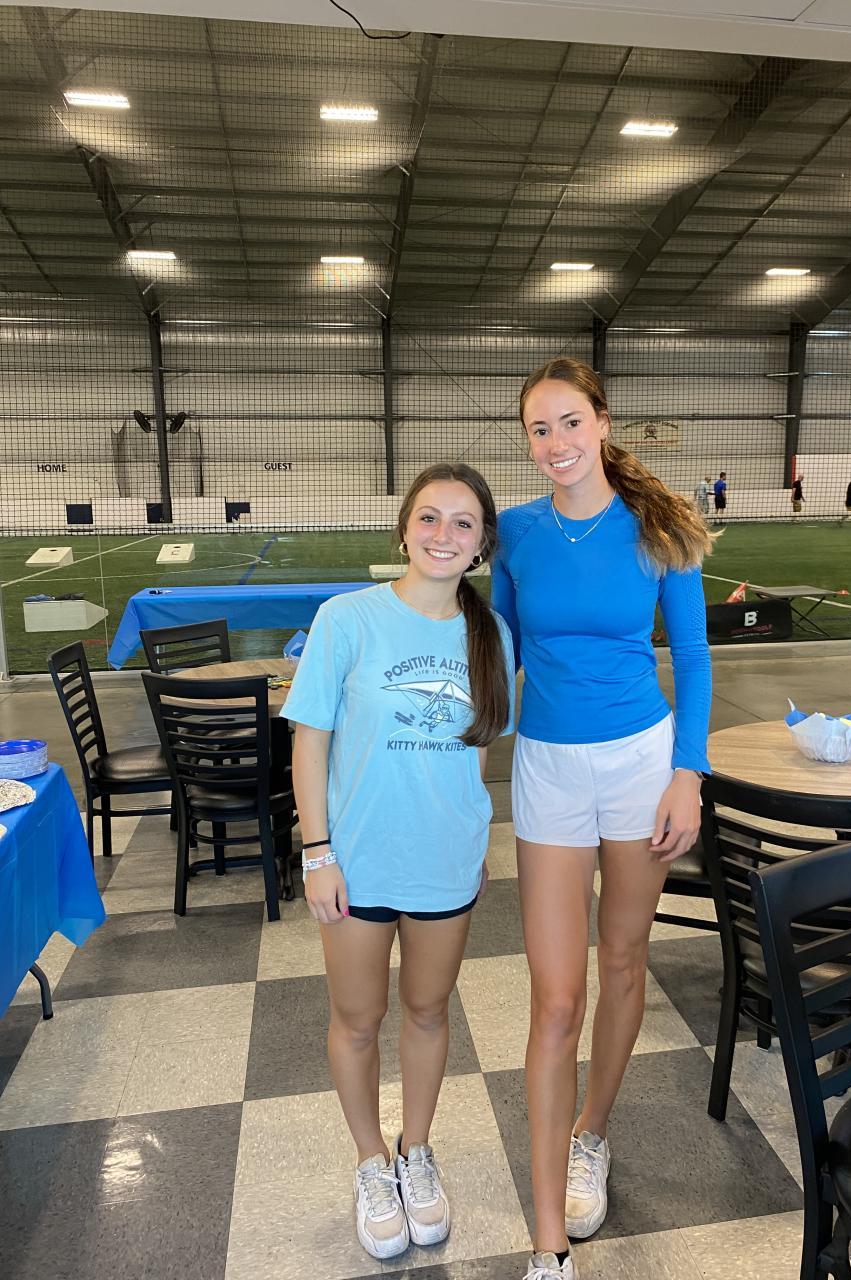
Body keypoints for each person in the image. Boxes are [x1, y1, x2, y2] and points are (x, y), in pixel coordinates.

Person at [493, 357, 713, 1280]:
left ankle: (592, 1131)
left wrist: (688, 774)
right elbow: (498, 652)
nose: (557, 444)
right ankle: (548, 1243)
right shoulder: (513, 533)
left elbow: (693, 658)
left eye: (570, 423)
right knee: (555, 999)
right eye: (539, 429)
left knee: (623, 961)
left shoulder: (658, 528)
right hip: (547, 769)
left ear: (603, 422)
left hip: (639, 765)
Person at [283, 462, 515, 1262]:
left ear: (482, 544)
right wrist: (317, 852)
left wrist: (474, 836)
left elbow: (477, 752)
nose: (443, 535)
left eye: (463, 523)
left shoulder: (490, 633)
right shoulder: (346, 619)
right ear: (404, 529)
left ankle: (416, 1151)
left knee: (427, 1010)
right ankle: (370, 1161)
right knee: (358, 1018)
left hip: (445, 860)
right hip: (358, 859)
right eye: (429, 517)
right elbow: (310, 743)